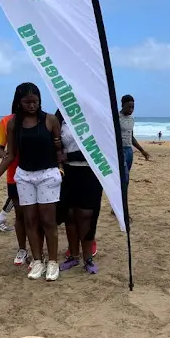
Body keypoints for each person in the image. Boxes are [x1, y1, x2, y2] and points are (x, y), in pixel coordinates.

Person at [0, 83, 64, 281]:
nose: (32, 105)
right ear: (19, 102)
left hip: (47, 174)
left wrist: (61, 168)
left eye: (35, 101)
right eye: (27, 102)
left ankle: (53, 262)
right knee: (30, 220)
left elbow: (59, 148)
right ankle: (37, 261)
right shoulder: (13, 124)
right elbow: (10, 155)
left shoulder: (50, 120)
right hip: (24, 176)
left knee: (48, 221)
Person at [58, 115, 103, 274]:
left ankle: (88, 258)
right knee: (69, 215)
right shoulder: (61, 113)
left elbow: (99, 147)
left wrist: (69, 156)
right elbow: (55, 141)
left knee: (87, 215)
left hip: (90, 172)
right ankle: (73, 256)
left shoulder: (94, 114)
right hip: (68, 172)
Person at [0, 107, 29, 266]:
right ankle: (22, 249)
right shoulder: (7, 121)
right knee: (20, 214)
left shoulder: (44, 119)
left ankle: (38, 253)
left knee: (36, 216)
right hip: (14, 174)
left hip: (38, 175)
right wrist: (6, 156)